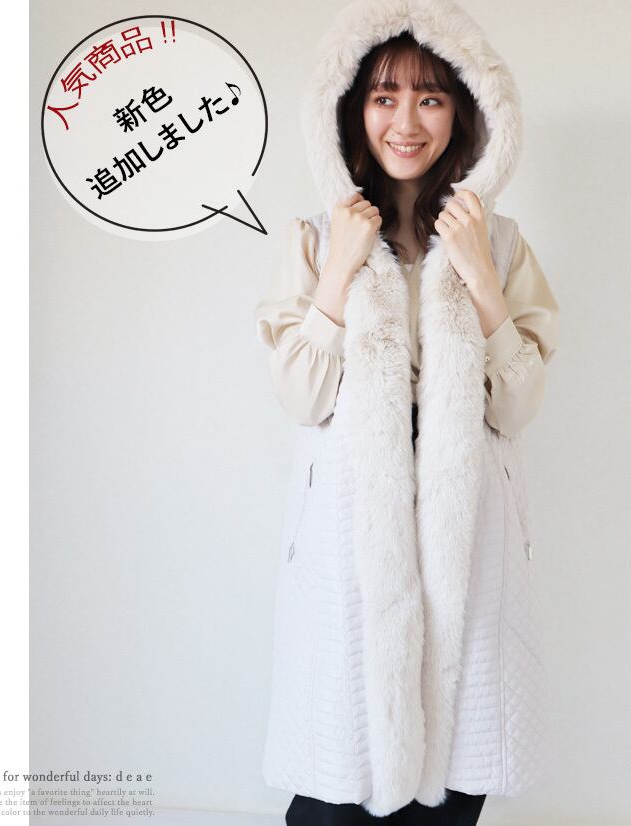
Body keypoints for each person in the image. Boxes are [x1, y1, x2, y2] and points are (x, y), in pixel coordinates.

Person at [254, 1, 559, 823]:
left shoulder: (501, 243)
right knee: (339, 778)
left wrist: (481, 278)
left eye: (430, 97)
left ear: (464, 110)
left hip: (470, 529)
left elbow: (519, 405)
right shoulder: (315, 238)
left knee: (457, 768)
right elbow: (301, 396)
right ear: (352, 108)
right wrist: (339, 274)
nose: (406, 121)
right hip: (353, 529)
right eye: (384, 96)